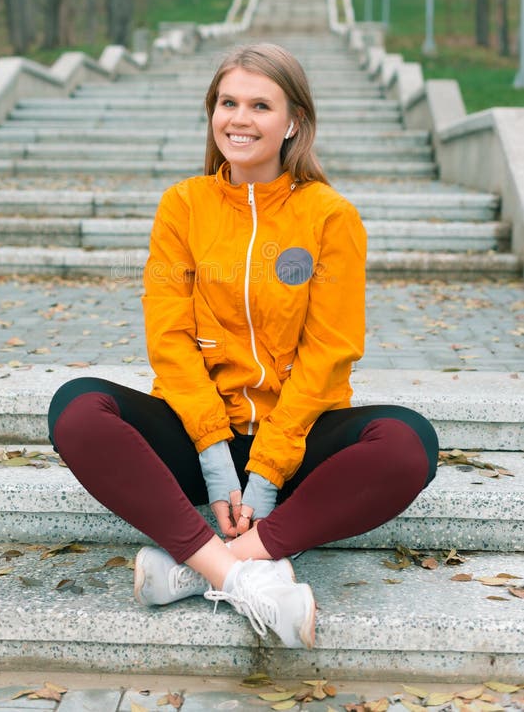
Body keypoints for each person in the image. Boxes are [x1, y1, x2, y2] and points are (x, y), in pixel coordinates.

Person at [47, 43, 438, 651]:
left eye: (261, 105)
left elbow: (330, 351)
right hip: (201, 435)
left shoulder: (331, 217)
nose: (240, 119)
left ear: (293, 123)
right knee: (76, 408)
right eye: (228, 102)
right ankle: (236, 577)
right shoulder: (183, 206)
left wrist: (266, 474)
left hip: (297, 435)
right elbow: (169, 339)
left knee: (411, 445)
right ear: (212, 112)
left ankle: (199, 566)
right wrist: (213, 455)